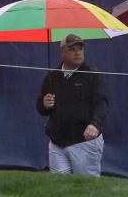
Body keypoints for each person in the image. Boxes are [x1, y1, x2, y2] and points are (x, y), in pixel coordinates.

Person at [35, 33, 107, 176]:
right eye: (72, 49)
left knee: (86, 188)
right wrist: (45, 104)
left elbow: (102, 102)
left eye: (80, 49)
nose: (77, 53)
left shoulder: (92, 74)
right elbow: (41, 108)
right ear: (62, 52)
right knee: (60, 188)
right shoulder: (51, 77)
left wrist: (95, 124)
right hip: (57, 142)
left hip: (84, 141)